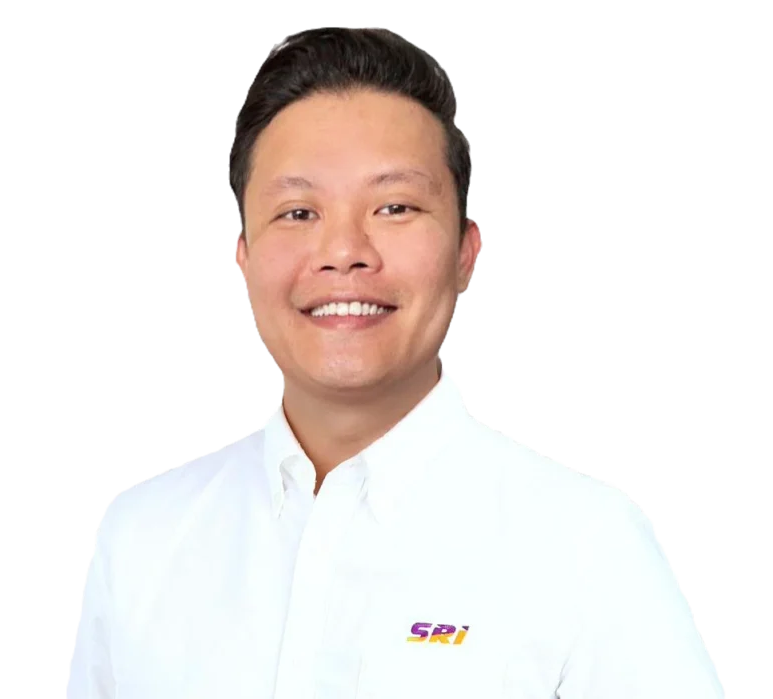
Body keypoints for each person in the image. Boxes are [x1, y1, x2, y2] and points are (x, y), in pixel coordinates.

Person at [66, 25, 726, 698]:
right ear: (244, 255)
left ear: (466, 252)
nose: (343, 252)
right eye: (298, 212)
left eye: (394, 206)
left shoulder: (585, 541)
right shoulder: (140, 535)